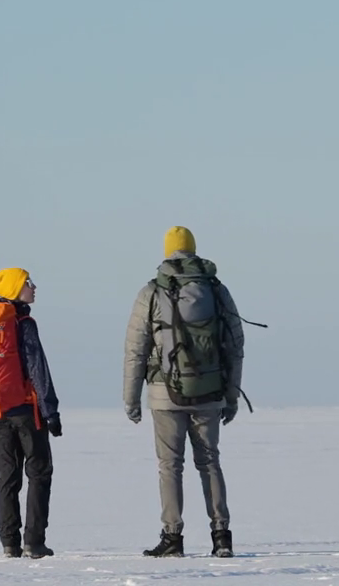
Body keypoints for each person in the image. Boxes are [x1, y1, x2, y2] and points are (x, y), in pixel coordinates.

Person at [123, 228, 245, 558]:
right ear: (193, 249)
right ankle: (221, 536)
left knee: (170, 466)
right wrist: (231, 395)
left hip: (164, 393)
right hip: (210, 389)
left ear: (167, 252)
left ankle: (172, 538)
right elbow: (235, 345)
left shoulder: (152, 291)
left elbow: (135, 349)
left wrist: (131, 398)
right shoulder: (216, 290)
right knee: (209, 462)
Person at [0, 268, 62, 558]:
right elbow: (37, 367)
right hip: (27, 411)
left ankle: (9, 543)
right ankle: (34, 542)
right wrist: (51, 411)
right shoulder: (23, 323)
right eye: (28, 283)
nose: (34, 287)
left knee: (7, 475)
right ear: (14, 289)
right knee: (39, 472)